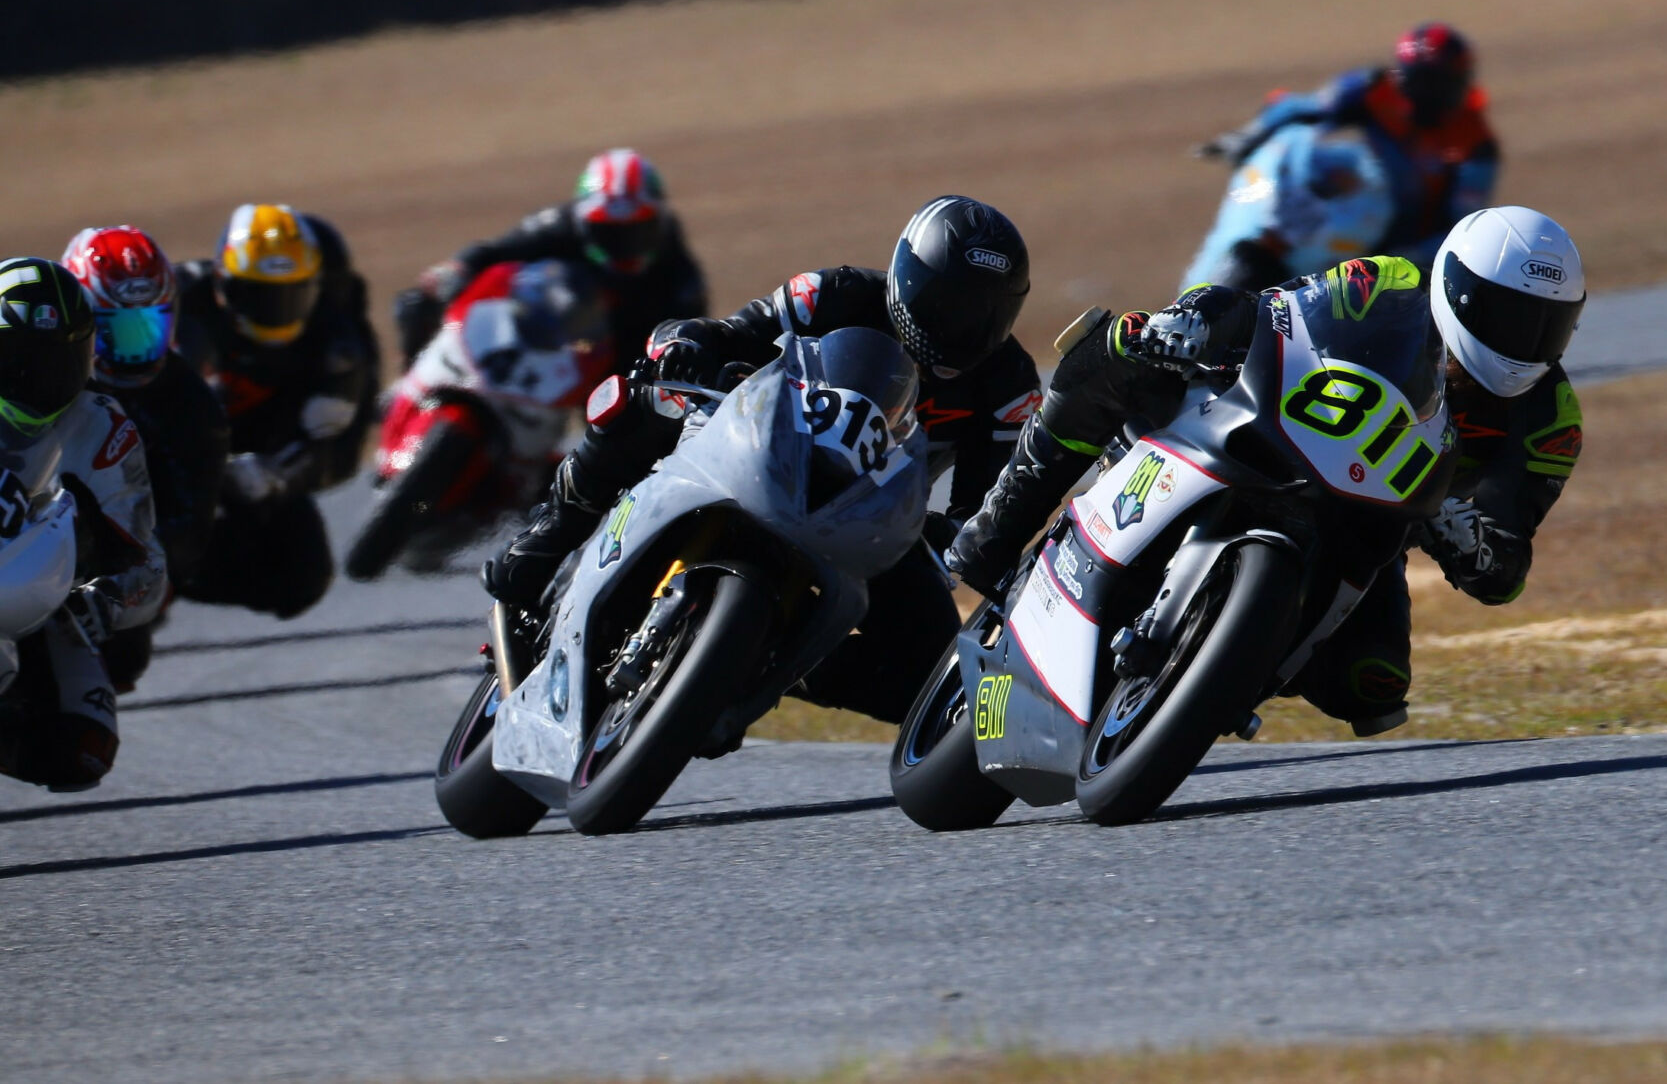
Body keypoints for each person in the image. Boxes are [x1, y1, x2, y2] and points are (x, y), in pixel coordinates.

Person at [945, 206, 1584, 737]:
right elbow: (1279, 311)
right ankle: (998, 524)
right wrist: (1196, 323)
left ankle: (1228, 658)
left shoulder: (1551, 420)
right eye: (1507, 317)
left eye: (1546, 328)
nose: (1523, 343)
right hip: (1270, 424)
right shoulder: (1388, 283)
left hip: (1373, 517)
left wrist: (1463, 535)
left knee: (1372, 684)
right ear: (1457, 287)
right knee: (1125, 341)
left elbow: (1505, 570)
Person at [483, 195, 1043, 726]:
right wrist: (688, 348)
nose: (960, 328)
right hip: (753, 445)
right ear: (909, 278)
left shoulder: (1011, 388)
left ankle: (764, 667)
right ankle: (546, 537)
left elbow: (991, 503)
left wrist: (960, 538)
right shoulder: (832, 292)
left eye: (984, 316)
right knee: (642, 400)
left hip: (870, 517)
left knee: (930, 674)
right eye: (948, 304)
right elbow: (727, 333)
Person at [0, 257, 167, 791]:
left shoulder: (102, 429)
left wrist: (106, 598)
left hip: (38, 595)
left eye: (58, 360)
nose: (37, 379)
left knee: (82, 752)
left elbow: (148, 561)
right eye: (17, 360)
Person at [172, 204, 379, 619]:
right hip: (169, 453)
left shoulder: (338, 345)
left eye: (292, 293)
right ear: (221, 281)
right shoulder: (178, 304)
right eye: (259, 294)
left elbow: (339, 451)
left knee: (302, 580)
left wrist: (279, 474)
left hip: (258, 463)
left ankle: (172, 583)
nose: (277, 308)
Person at [62, 226, 231, 690]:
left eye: (147, 328)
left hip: (114, 543)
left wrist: (128, 579)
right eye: (114, 332)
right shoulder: (41, 370)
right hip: (25, 516)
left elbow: (192, 525)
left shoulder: (192, 403)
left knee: (121, 662)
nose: (133, 350)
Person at [1194, 22, 1499, 276]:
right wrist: (1251, 135)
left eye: (1433, 83)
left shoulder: (1475, 145)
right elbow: (1303, 108)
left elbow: (1462, 227)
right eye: (1411, 79)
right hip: (1353, 222)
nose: (1419, 93)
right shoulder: (1374, 86)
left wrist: (1401, 263)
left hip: (1402, 260)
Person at [394, 148, 708, 366]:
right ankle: (413, 385)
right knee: (415, 304)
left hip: (617, 348)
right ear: (583, 221)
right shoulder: (556, 225)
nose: (625, 243)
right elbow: (495, 250)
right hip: (541, 339)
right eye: (609, 232)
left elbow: (689, 317)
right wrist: (457, 269)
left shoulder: (674, 259)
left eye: (639, 229)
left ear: (660, 220)